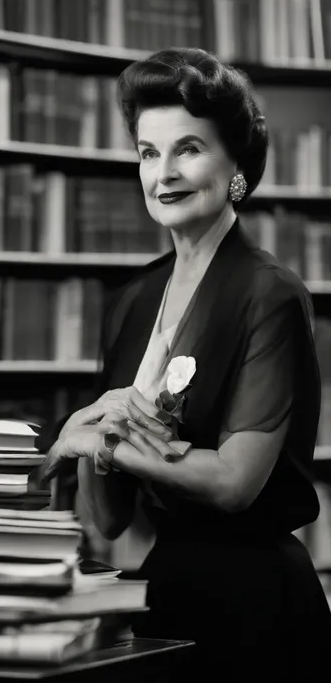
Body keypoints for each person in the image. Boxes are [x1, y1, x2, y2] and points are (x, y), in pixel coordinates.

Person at [37, 47, 331, 680]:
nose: (163, 173)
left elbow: (233, 481)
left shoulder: (269, 293)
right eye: (148, 152)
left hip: (257, 601)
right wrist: (93, 441)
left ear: (236, 167)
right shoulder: (131, 302)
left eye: (188, 149)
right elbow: (107, 517)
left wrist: (103, 443)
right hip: (163, 591)